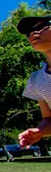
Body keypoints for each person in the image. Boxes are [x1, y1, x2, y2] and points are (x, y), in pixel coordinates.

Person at [17, 15, 51, 148]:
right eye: (29, 32)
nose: (33, 33)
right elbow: (48, 119)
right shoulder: (36, 80)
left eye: (42, 26)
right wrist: (40, 131)